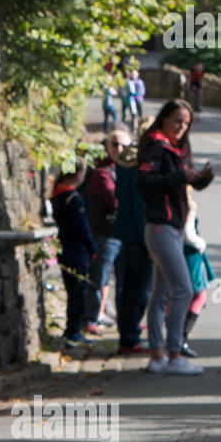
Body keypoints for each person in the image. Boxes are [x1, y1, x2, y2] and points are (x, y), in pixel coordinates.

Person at [136, 99, 214, 375]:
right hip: (161, 226)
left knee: (162, 293)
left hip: (169, 227)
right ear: (164, 119)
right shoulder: (155, 145)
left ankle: (158, 355)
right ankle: (174, 354)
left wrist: (202, 178)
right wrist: (181, 175)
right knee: (184, 290)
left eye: (186, 123)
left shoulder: (173, 146)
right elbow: (144, 182)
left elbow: (182, 181)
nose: (182, 127)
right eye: (178, 121)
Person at [82, 130, 128, 332]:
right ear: (107, 146)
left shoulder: (127, 170)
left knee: (123, 281)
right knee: (99, 278)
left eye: (124, 145)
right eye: (115, 144)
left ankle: (126, 323)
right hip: (106, 234)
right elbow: (115, 200)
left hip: (124, 234)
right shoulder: (102, 173)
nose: (119, 149)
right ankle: (91, 318)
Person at [112, 127, 153, 354]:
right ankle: (130, 337)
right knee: (138, 289)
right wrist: (147, 238)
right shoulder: (140, 165)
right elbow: (140, 206)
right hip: (138, 235)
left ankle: (127, 334)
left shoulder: (124, 163)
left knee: (127, 288)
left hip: (124, 232)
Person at [51, 160, 98, 347]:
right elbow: (83, 229)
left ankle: (72, 330)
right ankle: (73, 331)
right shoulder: (73, 198)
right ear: (78, 175)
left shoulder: (57, 195)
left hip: (64, 248)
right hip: (77, 251)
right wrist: (92, 247)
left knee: (73, 292)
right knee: (78, 293)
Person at [181, 185, 214, 357]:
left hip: (179, 250)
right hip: (190, 254)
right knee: (198, 294)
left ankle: (178, 336)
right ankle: (182, 337)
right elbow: (188, 234)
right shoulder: (188, 205)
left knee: (182, 295)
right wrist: (201, 243)